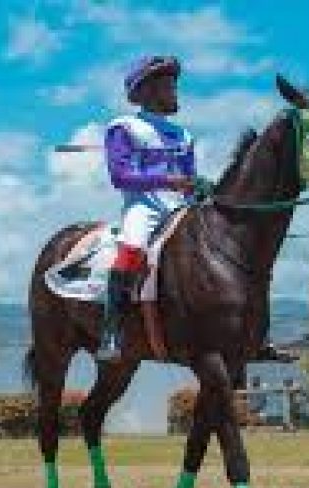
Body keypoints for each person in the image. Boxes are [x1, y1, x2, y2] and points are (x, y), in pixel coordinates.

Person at [97, 55, 196, 361]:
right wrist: (168, 179)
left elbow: (189, 178)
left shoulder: (184, 135)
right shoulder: (124, 127)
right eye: (168, 85)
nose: (175, 91)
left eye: (175, 84)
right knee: (132, 247)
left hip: (181, 206)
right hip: (144, 206)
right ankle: (111, 330)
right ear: (148, 91)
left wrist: (195, 188)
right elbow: (120, 176)